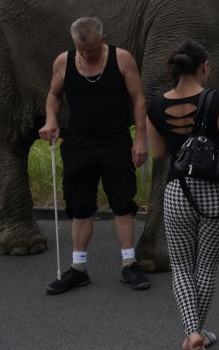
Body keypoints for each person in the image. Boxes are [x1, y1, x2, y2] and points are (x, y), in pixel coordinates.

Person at [146, 40, 219, 350]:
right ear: (204, 67)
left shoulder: (154, 105)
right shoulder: (217, 100)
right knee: (206, 267)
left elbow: (157, 153)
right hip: (218, 193)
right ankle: (198, 331)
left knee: (182, 266)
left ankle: (192, 332)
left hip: (177, 192)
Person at [39, 16, 150, 295]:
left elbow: (138, 99)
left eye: (91, 50)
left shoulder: (122, 59)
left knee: (123, 203)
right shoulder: (64, 61)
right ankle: (78, 270)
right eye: (81, 50)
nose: (86, 55)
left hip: (116, 141)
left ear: (103, 40)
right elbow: (53, 96)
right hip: (79, 142)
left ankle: (129, 264)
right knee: (80, 205)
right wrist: (51, 119)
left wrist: (140, 139)